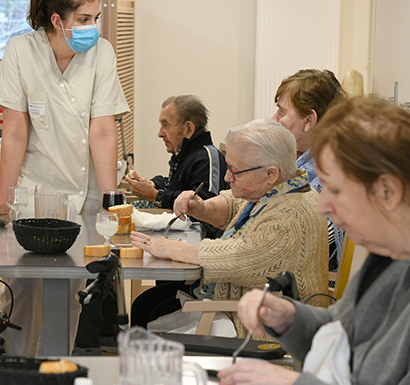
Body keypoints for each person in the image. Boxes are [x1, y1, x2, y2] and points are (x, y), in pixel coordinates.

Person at [218, 96, 410, 385]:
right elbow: (340, 331)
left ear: (387, 191)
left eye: (335, 189)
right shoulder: (387, 254)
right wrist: (289, 318)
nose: (323, 206)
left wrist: (290, 383)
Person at [0, 0, 130, 355]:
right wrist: (4, 200)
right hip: (35, 194)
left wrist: (110, 199)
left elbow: (102, 130)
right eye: (83, 18)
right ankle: (13, 367)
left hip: (85, 195)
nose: (92, 27)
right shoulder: (21, 51)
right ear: (56, 20)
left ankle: (56, 369)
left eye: (95, 17)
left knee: (71, 296)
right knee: (23, 291)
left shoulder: (102, 53)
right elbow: (15, 132)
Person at [130, 119, 328, 336]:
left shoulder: (291, 218)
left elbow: (237, 258)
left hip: (262, 331)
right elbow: (234, 205)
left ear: (270, 173)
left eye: (234, 171)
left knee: (150, 312)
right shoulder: (281, 188)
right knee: (148, 303)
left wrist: (171, 248)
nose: (227, 177)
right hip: (232, 299)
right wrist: (202, 207)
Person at [272, 69, 347, 273]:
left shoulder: (333, 171)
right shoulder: (299, 159)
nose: (274, 118)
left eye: (282, 111)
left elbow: (318, 242)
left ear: (308, 121)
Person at [126, 95, 228, 238]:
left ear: (188, 129)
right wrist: (153, 184)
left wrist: (156, 195)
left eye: (165, 125)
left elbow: (204, 207)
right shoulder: (186, 153)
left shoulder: (207, 157)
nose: (160, 133)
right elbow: (175, 184)